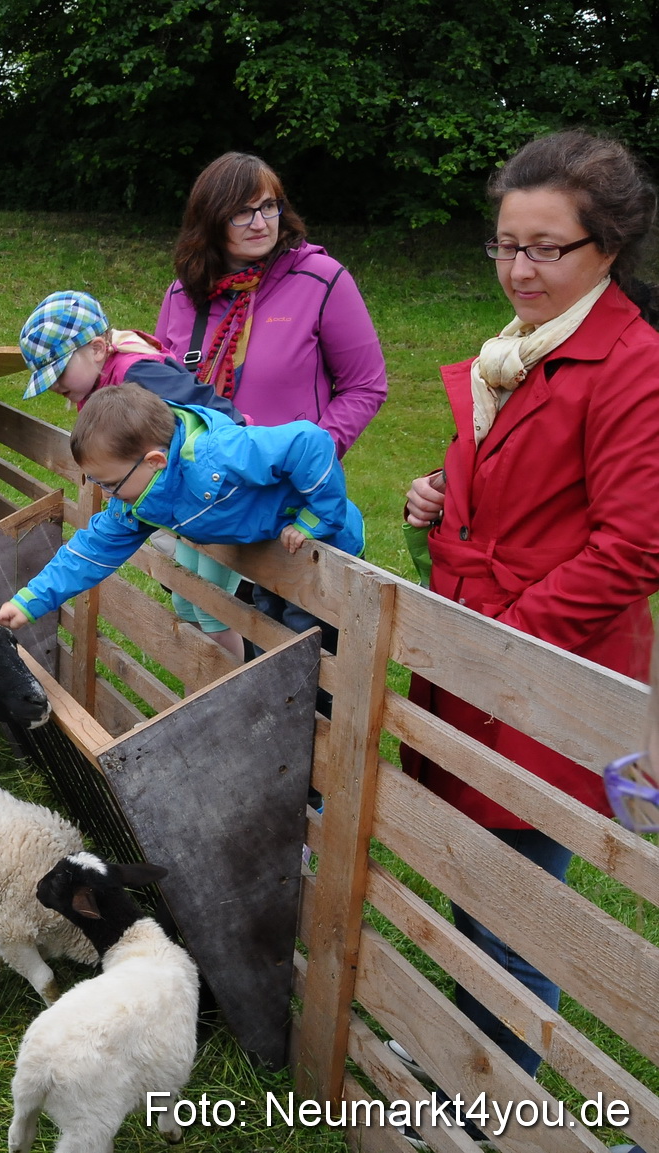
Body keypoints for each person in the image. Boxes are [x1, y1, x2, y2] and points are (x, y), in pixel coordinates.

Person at [402, 129, 659, 1084]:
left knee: (514, 903)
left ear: (608, 249)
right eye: (506, 244)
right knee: (472, 873)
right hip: (478, 653)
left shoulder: (634, 362)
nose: (518, 268)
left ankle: (495, 1094)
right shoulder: (512, 354)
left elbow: (634, 545)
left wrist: (502, 646)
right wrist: (432, 492)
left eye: (545, 248)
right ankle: (454, 1053)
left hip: (544, 676)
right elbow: (520, 486)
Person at [154, 153, 387, 637]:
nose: (260, 222)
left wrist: (308, 459)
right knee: (205, 635)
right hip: (212, 506)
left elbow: (366, 386)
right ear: (211, 219)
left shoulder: (322, 279)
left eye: (268, 206)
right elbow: (165, 398)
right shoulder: (183, 296)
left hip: (290, 511)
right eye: (242, 211)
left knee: (304, 656)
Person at [0, 385, 363, 631]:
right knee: (272, 636)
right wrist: (28, 603)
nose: (110, 495)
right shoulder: (141, 499)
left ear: (154, 461)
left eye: (111, 484)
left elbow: (309, 442)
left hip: (327, 550)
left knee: (312, 644)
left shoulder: (222, 457)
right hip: (273, 556)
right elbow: (90, 551)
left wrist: (317, 517)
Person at [19, 290, 248, 658]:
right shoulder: (106, 379)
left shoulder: (139, 374)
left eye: (60, 372)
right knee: (189, 602)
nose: (57, 386)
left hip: (220, 494)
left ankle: (232, 694)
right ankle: (204, 694)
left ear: (96, 349)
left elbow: (212, 417)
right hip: (183, 502)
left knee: (213, 609)